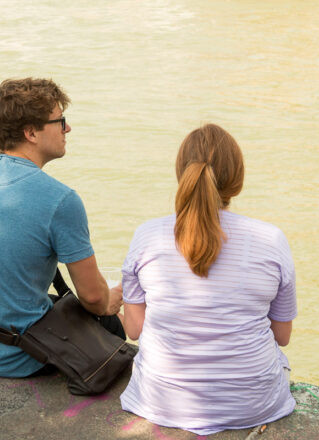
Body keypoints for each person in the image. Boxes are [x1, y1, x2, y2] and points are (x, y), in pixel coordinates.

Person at [0, 78, 124, 377]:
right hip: (20, 359)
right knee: (111, 329)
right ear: (31, 133)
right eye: (60, 121)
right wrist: (113, 300)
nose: (67, 129)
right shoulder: (62, 200)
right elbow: (94, 298)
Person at [120, 124, 297, 435]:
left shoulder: (146, 236)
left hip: (161, 401)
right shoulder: (271, 239)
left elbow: (135, 330)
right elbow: (282, 336)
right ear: (237, 180)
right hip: (253, 404)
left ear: (181, 173)